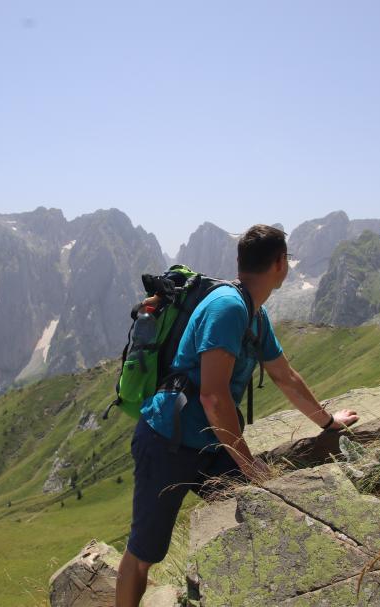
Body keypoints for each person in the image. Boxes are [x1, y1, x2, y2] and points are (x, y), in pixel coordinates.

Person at [115, 224, 359, 607]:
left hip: (209, 445)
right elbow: (213, 397)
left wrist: (329, 423)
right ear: (280, 264)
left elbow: (285, 376)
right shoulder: (228, 308)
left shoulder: (254, 314)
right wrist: (250, 465)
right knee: (144, 553)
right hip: (166, 443)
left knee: (263, 509)